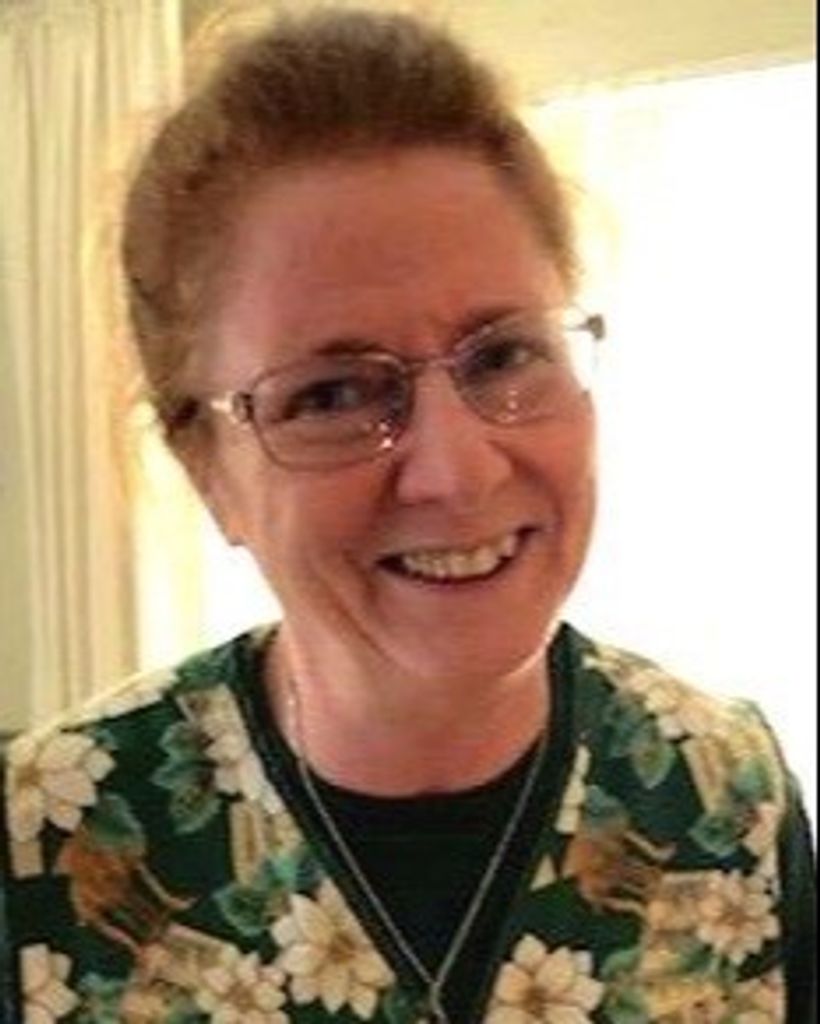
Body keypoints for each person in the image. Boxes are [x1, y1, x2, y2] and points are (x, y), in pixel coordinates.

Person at [0, 8, 814, 1023]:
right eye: (333, 393)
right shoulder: (45, 843)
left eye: (504, 355)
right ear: (206, 468)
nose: (457, 472)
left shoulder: (723, 792)